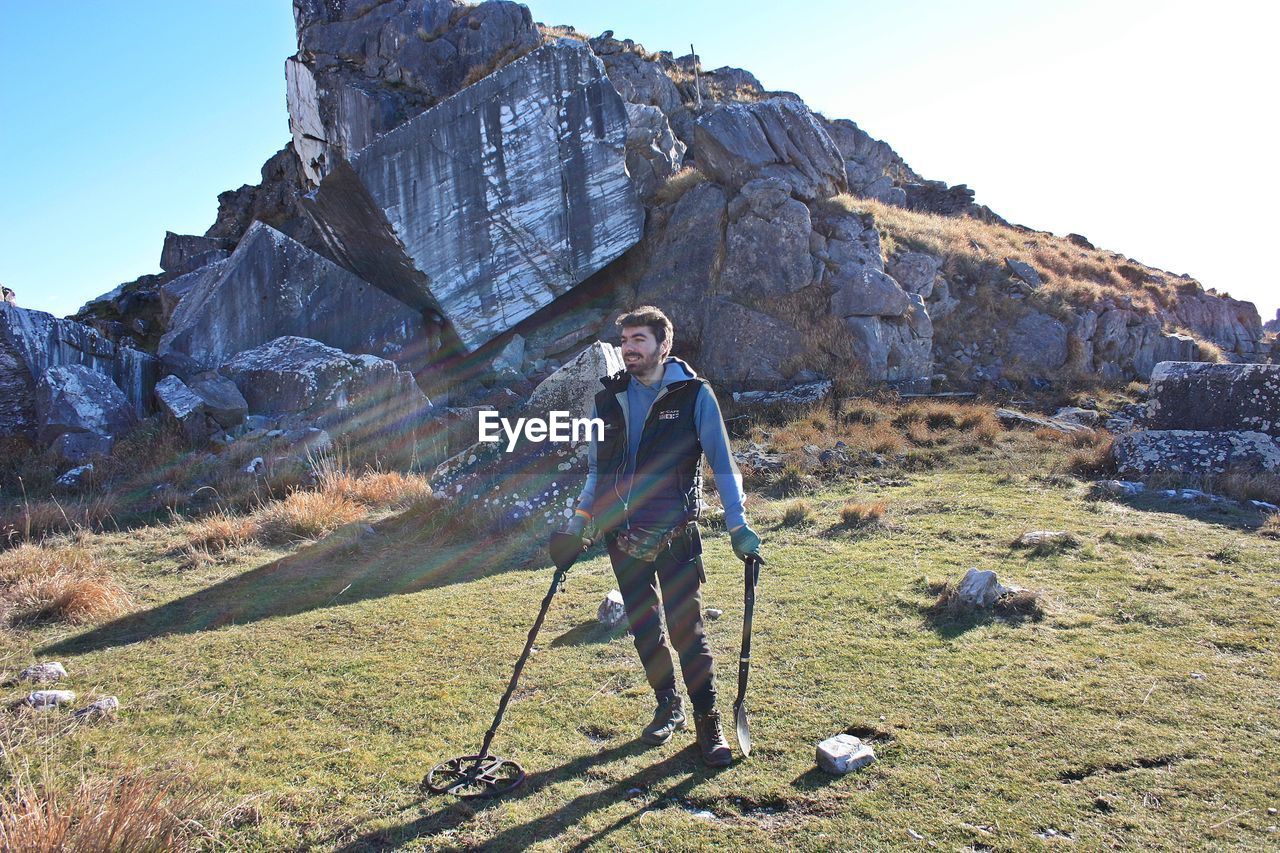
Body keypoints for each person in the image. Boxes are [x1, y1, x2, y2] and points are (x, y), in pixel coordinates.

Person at [553, 305, 762, 767]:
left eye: (639, 340)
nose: (629, 349)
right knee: (645, 627)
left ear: (663, 345)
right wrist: (577, 523)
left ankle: (708, 720)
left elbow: (722, 464)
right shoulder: (608, 399)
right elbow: (596, 471)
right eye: (625, 341)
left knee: (688, 630)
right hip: (620, 535)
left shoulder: (693, 395)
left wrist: (738, 523)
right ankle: (669, 704)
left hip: (674, 533)